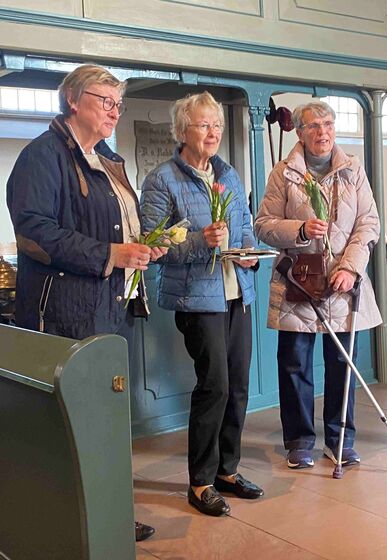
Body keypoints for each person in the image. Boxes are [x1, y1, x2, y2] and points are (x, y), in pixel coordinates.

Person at [6, 64, 162, 542]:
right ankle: (70, 525)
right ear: (73, 100)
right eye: (105, 101)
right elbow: (34, 233)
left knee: (106, 419)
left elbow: (117, 224)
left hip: (110, 305)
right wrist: (109, 254)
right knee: (74, 424)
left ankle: (107, 515)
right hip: (65, 310)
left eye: (119, 104)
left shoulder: (106, 158)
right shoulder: (43, 155)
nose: (115, 111)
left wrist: (141, 247)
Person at [140, 91, 264, 517]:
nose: (213, 133)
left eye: (217, 125)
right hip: (197, 299)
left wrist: (249, 254)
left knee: (239, 386)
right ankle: (201, 482)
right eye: (203, 125)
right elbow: (154, 245)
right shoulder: (162, 180)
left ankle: (228, 471)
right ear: (182, 130)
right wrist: (200, 241)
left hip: (237, 294)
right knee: (215, 387)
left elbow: (244, 228)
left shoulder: (228, 174)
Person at [254, 100, 382, 469]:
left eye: (327, 124)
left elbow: (368, 224)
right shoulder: (283, 173)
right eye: (313, 126)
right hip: (298, 281)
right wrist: (299, 229)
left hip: (342, 282)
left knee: (342, 364)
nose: (322, 132)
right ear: (300, 132)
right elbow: (263, 225)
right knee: (295, 364)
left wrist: (350, 268)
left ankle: (341, 440)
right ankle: (299, 441)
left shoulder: (353, 169)